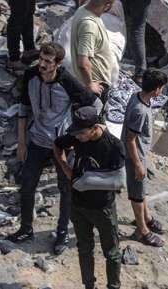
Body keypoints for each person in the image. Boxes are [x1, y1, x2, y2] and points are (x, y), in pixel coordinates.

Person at [9, 42, 101, 255]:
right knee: (27, 185)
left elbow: (93, 105)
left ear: (57, 64)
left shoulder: (67, 81)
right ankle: (25, 229)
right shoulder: (31, 75)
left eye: (47, 62)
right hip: (37, 141)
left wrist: (81, 134)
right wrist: (21, 142)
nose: (42, 64)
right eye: (41, 59)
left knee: (66, 189)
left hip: (62, 144)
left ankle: (62, 233)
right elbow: (23, 109)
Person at [53, 106, 126, 289]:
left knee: (112, 253)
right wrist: (65, 168)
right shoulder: (77, 135)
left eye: (82, 134)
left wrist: (86, 181)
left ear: (95, 128)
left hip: (103, 208)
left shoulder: (113, 145)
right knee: (84, 249)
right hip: (78, 206)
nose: (77, 138)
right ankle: (88, 286)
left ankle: (113, 286)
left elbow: (118, 181)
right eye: (75, 133)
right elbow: (57, 144)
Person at [122, 68, 166, 247]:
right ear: (157, 90)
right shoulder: (140, 110)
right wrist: (138, 164)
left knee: (141, 190)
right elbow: (130, 140)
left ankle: (146, 218)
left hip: (139, 155)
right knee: (137, 194)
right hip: (135, 156)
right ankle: (142, 230)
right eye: (162, 88)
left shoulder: (137, 96)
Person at [71, 0, 121, 98]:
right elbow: (83, 63)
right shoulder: (89, 25)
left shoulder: (83, 9)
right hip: (97, 85)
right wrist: (90, 84)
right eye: (114, 3)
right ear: (107, 5)